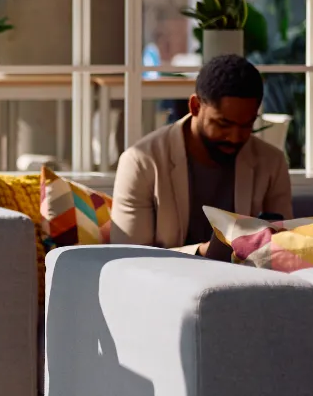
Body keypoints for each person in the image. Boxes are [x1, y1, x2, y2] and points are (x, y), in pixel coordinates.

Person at [112, 53, 292, 257]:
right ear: (195, 106)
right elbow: (128, 258)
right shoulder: (141, 162)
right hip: (162, 285)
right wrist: (201, 252)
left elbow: (281, 250)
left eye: (246, 125)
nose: (234, 137)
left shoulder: (271, 163)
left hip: (246, 283)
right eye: (223, 124)